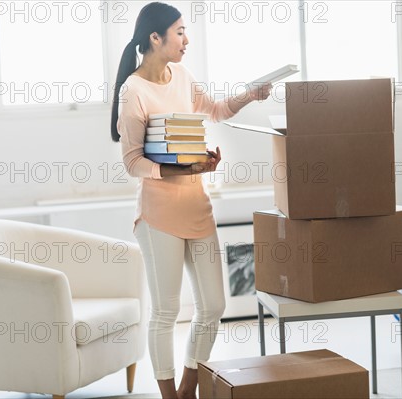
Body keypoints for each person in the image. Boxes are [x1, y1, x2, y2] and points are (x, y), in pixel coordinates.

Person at [110, 3, 271, 398]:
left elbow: (214, 110)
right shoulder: (133, 91)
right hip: (158, 213)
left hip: (196, 207)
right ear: (155, 38)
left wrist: (251, 94)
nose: (187, 40)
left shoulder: (181, 75)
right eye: (179, 32)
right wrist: (182, 170)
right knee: (166, 311)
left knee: (213, 306)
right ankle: (170, 397)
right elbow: (132, 162)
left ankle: (187, 387)